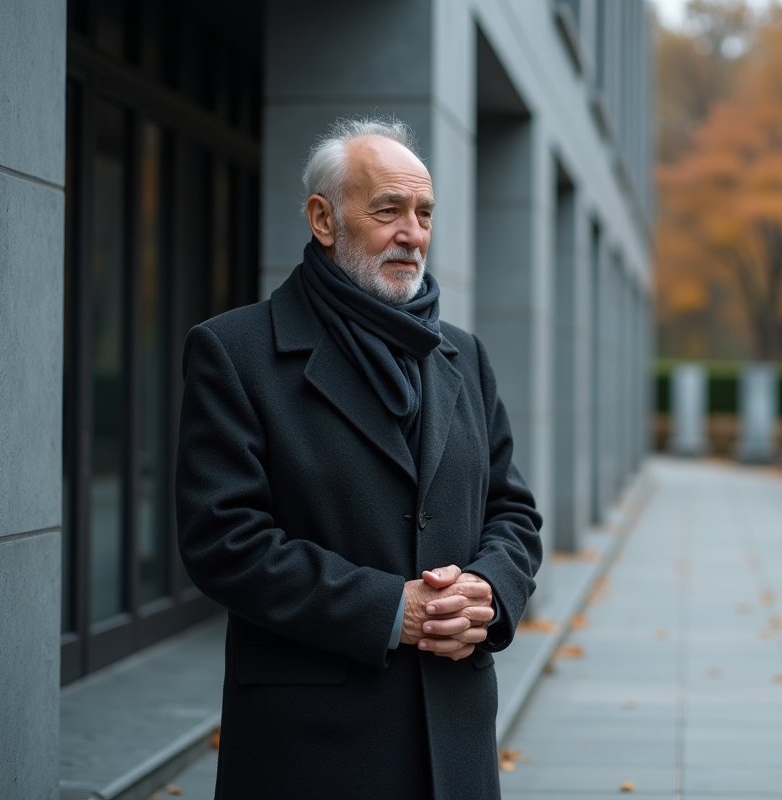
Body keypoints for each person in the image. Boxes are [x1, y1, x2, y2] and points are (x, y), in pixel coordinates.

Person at [175, 116, 543, 799]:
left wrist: (488, 594)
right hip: (312, 746)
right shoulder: (235, 351)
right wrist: (384, 609)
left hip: (454, 734)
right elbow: (223, 541)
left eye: (424, 213)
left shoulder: (464, 355)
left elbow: (512, 511)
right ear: (323, 219)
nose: (412, 234)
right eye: (388, 211)